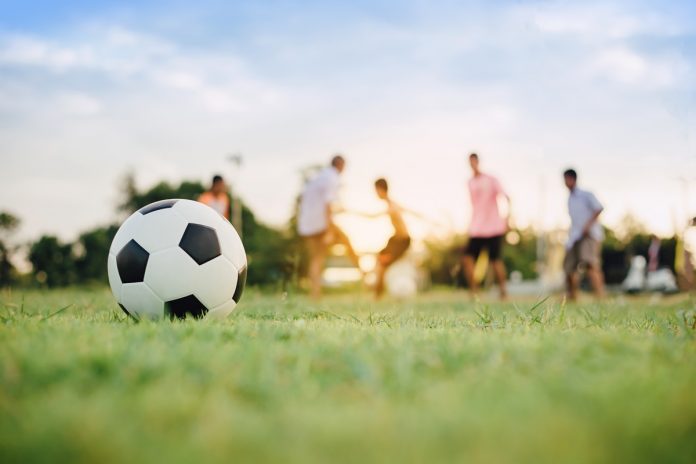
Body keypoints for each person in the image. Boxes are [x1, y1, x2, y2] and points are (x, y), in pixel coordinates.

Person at [297, 155, 360, 300]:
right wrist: (329, 231)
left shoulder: (319, 177)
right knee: (347, 242)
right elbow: (328, 205)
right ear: (340, 165)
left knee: (316, 258)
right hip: (320, 224)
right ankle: (366, 278)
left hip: (307, 224)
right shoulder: (332, 178)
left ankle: (315, 293)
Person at [462, 153, 510, 300]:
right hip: (477, 228)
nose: (473, 164)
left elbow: (506, 198)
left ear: (478, 162)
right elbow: (474, 206)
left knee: (495, 261)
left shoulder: (491, 179)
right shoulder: (470, 182)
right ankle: (474, 291)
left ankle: (503, 292)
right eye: (470, 162)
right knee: (467, 259)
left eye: (474, 161)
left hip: (494, 227)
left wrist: (507, 219)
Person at [356, 178, 412, 299]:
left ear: (381, 190)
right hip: (394, 240)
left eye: (376, 190)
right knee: (379, 261)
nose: (375, 193)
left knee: (381, 264)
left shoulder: (392, 207)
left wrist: (349, 211)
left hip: (402, 241)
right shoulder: (392, 203)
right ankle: (377, 290)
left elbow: (372, 217)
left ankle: (377, 294)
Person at [563, 168, 605, 300]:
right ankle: (572, 296)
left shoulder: (586, 194)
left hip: (589, 235)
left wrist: (588, 225)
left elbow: (598, 208)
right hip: (575, 236)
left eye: (567, 179)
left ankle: (600, 296)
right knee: (569, 267)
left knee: (590, 264)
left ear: (573, 179)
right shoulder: (570, 199)